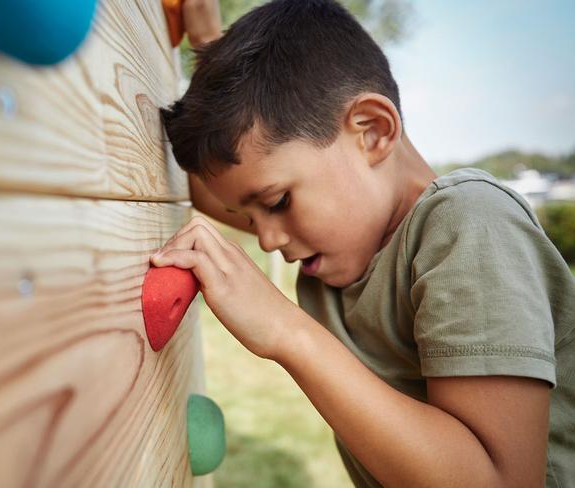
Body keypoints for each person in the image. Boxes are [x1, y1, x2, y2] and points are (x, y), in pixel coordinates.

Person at [149, 0, 575, 486]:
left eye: (279, 200)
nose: (266, 239)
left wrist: (286, 332)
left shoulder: (470, 224)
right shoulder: (344, 236)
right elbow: (218, 177)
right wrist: (206, 41)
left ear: (373, 132)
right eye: (248, 214)